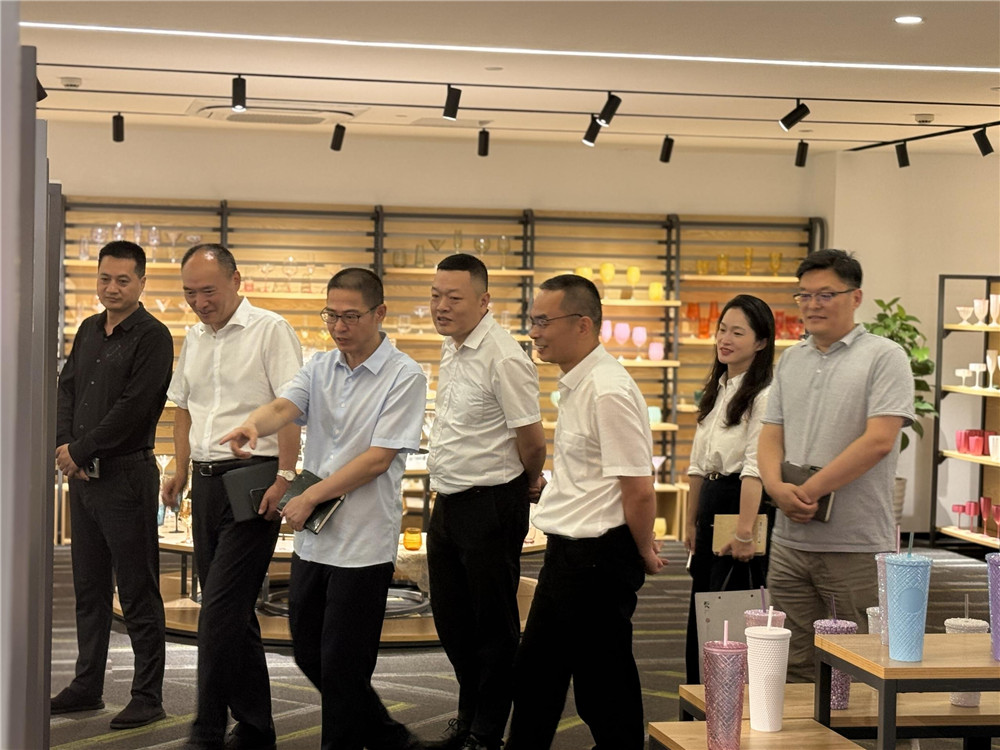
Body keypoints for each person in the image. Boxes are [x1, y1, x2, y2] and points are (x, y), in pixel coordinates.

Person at [218, 268, 426, 750]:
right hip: (315, 538)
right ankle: (391, 738)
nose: (338, 327)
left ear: (379, 313)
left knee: (343, 667)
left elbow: (377, 459)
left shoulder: (404, 375)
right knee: (310, 653)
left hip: (363, 542)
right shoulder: (320, 365)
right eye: (330, 315)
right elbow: (284, 407)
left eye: (350, 316)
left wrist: (308, 495)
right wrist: (254, 425)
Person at [507, 274, 664, 750]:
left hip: (597, 559)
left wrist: (644, 549)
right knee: (539, 677)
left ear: (582, 324)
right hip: (571, 556)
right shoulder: (579, 382)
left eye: (543, 321)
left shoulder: (606, 389)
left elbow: (638, 488)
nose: (534, 332)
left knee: (602, 685)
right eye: (532, 320)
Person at [163, 244, 302, 750]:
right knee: (234, 610)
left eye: (208, 291)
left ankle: (206, 727)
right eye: (189, 293)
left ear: (236, 281)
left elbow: (291, 406)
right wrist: (179, 467)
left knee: (218, 609)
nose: (199, 303)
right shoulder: (194, 337)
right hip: (205, 483)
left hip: (253, 480)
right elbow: (183, 407)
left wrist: (286, 476)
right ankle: (257, 726)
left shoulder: (271, 330)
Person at [758, 249, 914, 682]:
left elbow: (880, 441)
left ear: (855, 297)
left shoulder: (885, 356)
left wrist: (808, 491)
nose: (812, 305)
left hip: (855, 543)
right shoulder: (792, 359)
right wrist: (775, 488)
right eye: (804, 295)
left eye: (825, 294)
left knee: (860, 663)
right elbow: (770, 434)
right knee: (790, 663)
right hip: (789, 542)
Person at [424, 254, 546, 750]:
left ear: (484, 301)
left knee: (493, 626)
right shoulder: (453, 348)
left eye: (454, 298)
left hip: (492, 503)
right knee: (452, 621)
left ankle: (486, 731)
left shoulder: (504, 356)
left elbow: (532, 441)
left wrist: (528, 483)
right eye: (436, 296)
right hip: (449, 501)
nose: (441, 306)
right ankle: (469, 714)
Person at [52, 240, 172, 729]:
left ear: (142, 282)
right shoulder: (88, 329)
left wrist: (80, 450)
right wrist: (65, 445)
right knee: (89, 588)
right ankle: (87, 686)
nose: (112, 288)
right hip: (84, 479)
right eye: (105, 278)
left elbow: (135, 408)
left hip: (126, 478)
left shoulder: (153, 337)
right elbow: (66, 390)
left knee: (138, 590)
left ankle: (148, 695)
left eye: (123, 280)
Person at [683, 294, 775, 685]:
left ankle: (730, 701)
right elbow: (697, 465)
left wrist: (744, 532)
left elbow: (755, 469)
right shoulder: (718, 388)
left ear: (761, 342)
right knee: (703, 606)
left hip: (741, 504)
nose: (725, 339)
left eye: (738, 332)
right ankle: (700, 698)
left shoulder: (764, 395)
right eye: (722, 329)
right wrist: (690, 522)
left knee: (731, 610)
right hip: (711, 502)